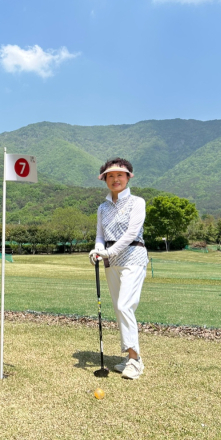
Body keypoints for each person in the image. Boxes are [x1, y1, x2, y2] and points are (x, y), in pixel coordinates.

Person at [89, 158, 148, 380]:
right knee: (119, 308)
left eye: (120, 175)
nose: (115, 179)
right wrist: (97, 250)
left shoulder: (137, 202)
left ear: (128, 177)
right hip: (110, 262)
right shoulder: (102, 208)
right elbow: (100, 236)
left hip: (133, 257)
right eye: (110, 176)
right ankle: (129, 357)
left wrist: (109, 252)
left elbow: (132, 233)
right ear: (105, 179)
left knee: (125, 306)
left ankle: (135, 359)